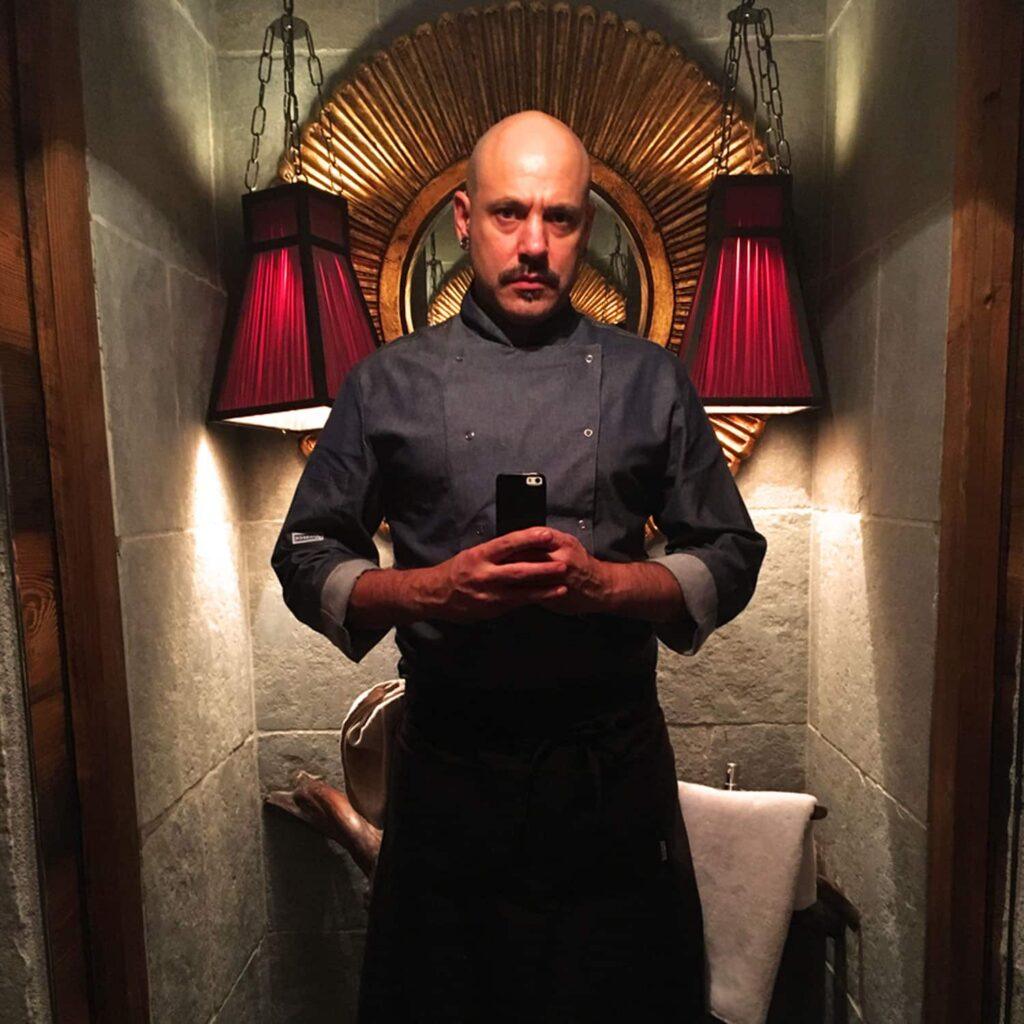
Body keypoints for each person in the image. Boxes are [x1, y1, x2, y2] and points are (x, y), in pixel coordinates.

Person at [271, 109, 767, 1022]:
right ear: (465, 219)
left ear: (587, 226)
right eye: (509, 213)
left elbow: (731, 553)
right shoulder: (385, 383)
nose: (533, 244)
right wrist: (433, 591)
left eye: (559, 217)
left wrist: (606, 586)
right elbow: (304, 556)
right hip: (449, 779)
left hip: (610, 781)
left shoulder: (651, 380)